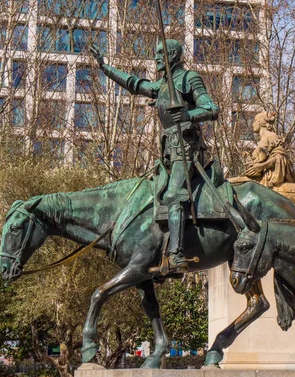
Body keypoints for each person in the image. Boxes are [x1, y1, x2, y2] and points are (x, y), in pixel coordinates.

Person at [90, 39, 219, 274]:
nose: (156, 58)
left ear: (172, 54)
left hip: (186, 148)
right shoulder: (161, 86)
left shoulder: (189, 78)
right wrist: (104, 67)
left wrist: (188, 114)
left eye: (160, 53)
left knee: (173, 195)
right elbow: (134, 83)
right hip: (168, 151)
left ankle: (176, 255)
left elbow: (211, 108)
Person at [244, 111, 295, 188]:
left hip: (268, 178)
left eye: (254, 121)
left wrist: (261, 166)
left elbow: (281, 158)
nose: (252, 124)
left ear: (261, 122)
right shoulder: (262, 140)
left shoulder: (272, 136)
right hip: (260, 176)